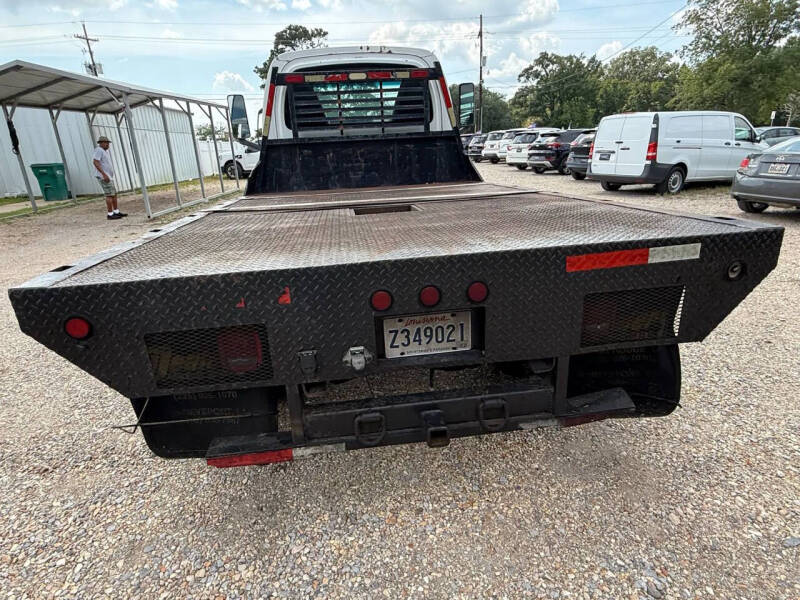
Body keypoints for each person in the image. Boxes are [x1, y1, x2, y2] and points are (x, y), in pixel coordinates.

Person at [92, 136, 126, 220]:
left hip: (108, 176)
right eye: (106, 143)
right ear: (101, 143)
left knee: (113, 193)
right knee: (109, 195)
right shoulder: (99, 150)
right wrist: (103, 174)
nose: (107, 144)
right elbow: (95, 162)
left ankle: (116, 211)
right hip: (104, 177)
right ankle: (110, 214)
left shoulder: (104, 151)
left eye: (108, 143)